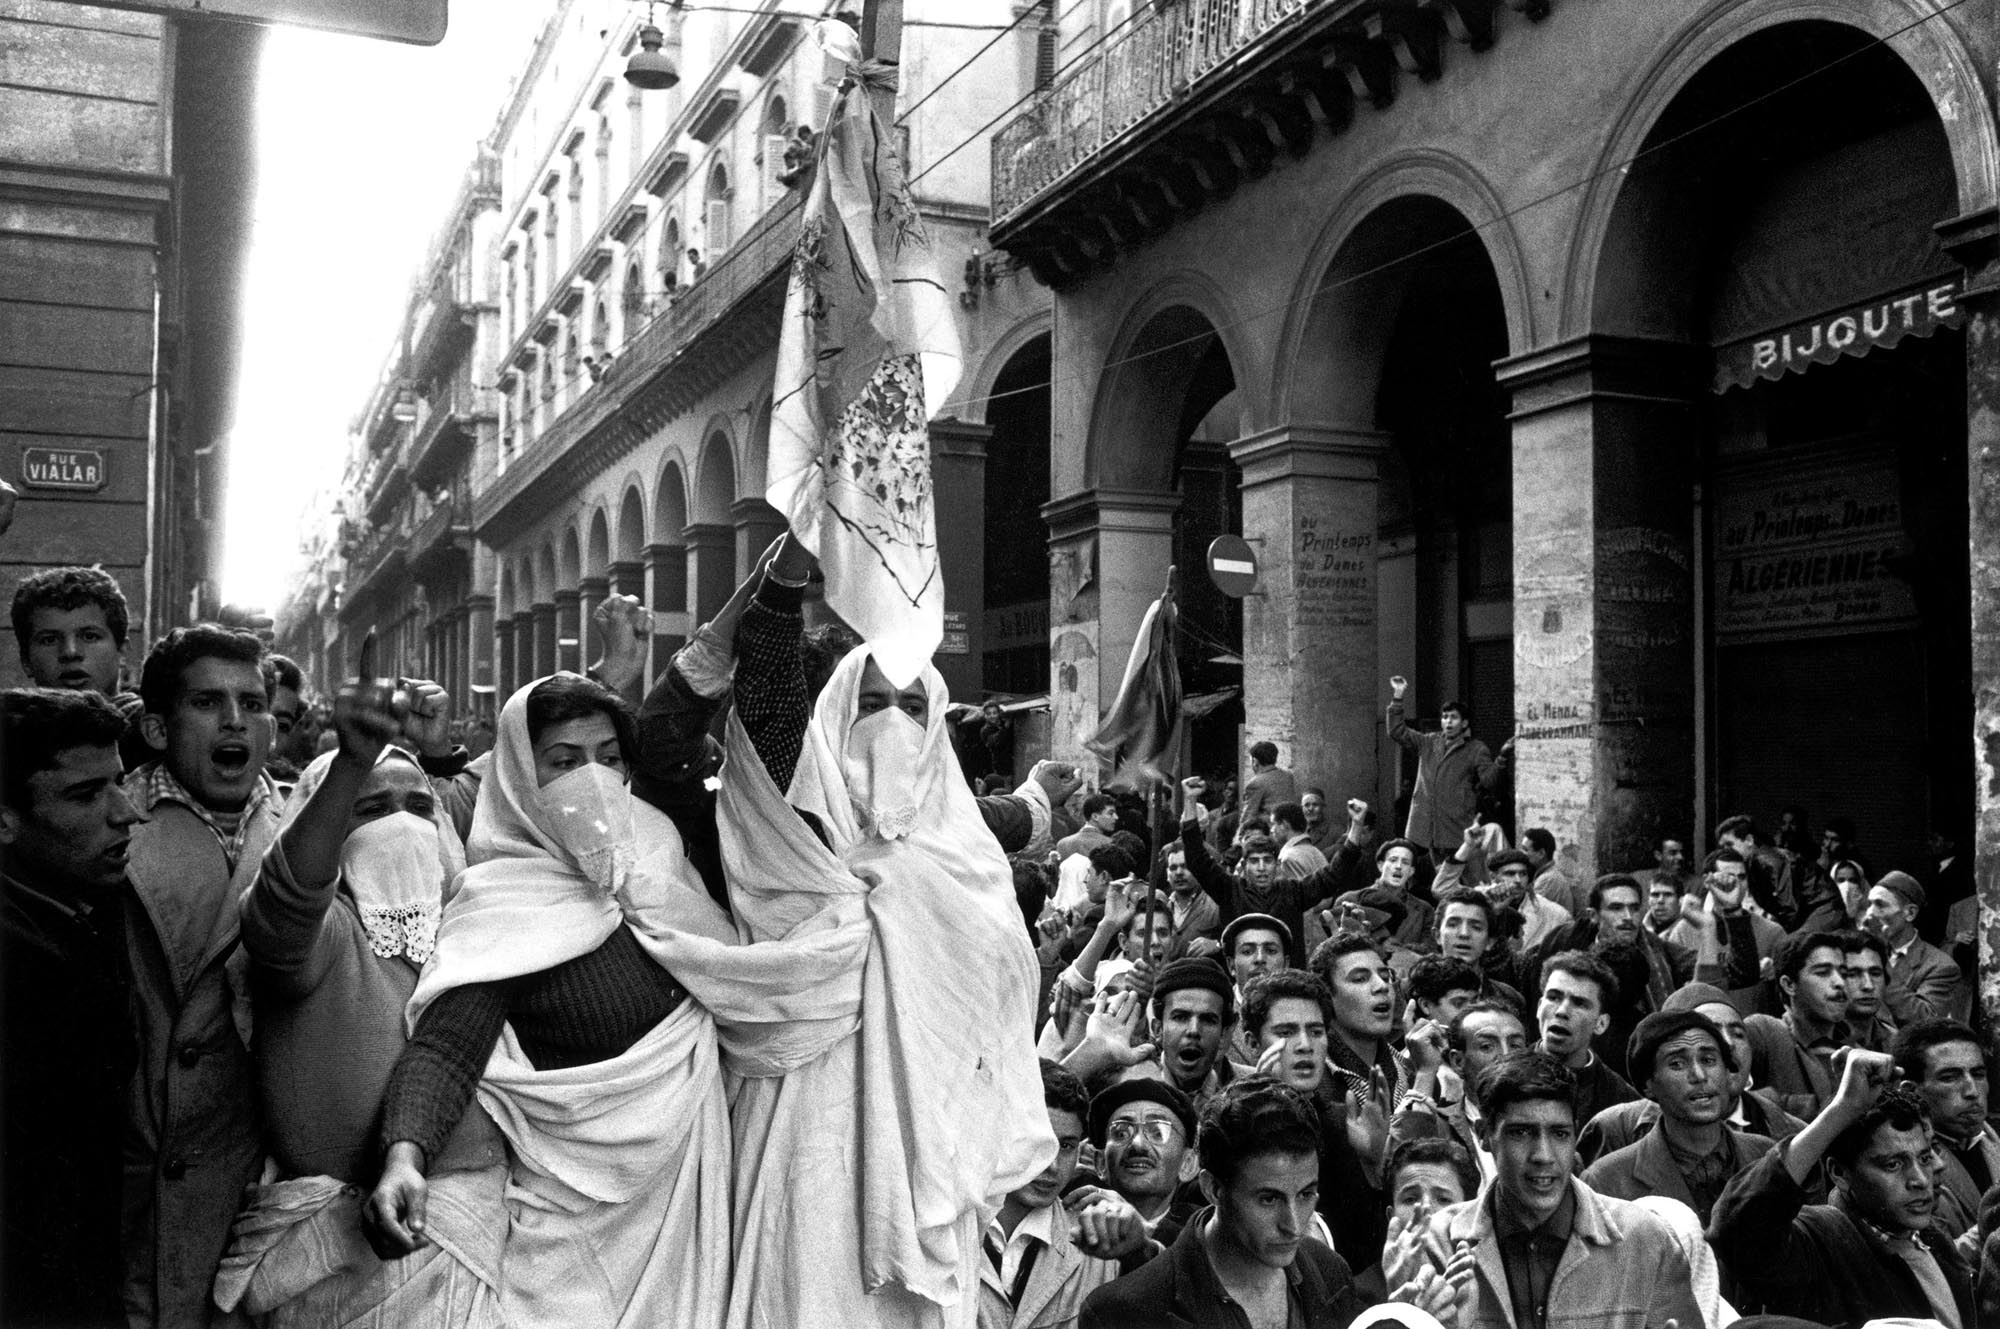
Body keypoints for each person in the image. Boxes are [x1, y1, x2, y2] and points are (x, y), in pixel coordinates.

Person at [368, 672, 737, 1327]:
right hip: (574, 1246)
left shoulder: (659, 854)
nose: (591, 777)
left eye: (609, 757)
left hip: (694, 1209)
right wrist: (404, 1157)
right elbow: (448, 1049)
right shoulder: (503, 901)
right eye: (564, 762)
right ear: (519, 776)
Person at [218, 680, 508, 1325]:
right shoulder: (325, 934)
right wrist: (351, 763)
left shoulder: (472, 930)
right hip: (343, 1261)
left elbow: (524, 768)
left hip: (474, 1235)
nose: (400, 823)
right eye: (370, 809)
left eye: (417, 807)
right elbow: (287, 899)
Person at [121, 622, 278, 1325]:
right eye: (209, 702)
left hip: (256, 1198)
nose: (235, 721)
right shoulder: (110, 825)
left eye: (252, 702)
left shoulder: (309, 825)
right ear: (157, 726)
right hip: (133, 1196)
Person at [0, 688, 143, 1326]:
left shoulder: (72, 905)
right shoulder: (20, 964)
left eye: (120, 783)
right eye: (86, 796)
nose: (127, 814)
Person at [1415, 1051, 1704, 1329]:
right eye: (1521, 1133)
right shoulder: (1439, 1241)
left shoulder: (1645, 1239)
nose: (1543, 1154)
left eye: (1559, 1134)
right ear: (1483, 1135)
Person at [1078, 1077, 1371, 1329]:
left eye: (1306, 1194)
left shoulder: (1330, 1271)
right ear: (1213, 1189)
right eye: (1269, 1199)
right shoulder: (1121, 1313)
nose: (1293, 1225)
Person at [1710, 1049, 1973, 1327]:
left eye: (1923, 1157)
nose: (1919, 1179)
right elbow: (1736, 1227)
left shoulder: (1931, 1236)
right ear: (1840, 1174)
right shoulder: (1818, 1243)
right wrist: (1843, 1109)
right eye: (1893, 1165)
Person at [979, 1061, 1149, 1329]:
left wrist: (1140, 1251)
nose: (1052, 1165)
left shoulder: (1098, 1242)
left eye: (1066, 1146)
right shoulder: (946, 1227)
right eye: (1038, 1143)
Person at [1242, 969, 1392, 1272]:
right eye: (1285, 1033)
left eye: (1316, 1031)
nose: (1305, 1045)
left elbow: (1369, 1253)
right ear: (1252, 1044)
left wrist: (1375, 1168)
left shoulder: (1345, 1123)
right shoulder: (1229, 1123)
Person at [1581, 1011, 1776, 1223]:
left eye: (1709, 1060)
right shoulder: (1607, 1181)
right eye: (1677, 1064)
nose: (1699, 1076)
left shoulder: (1769, 1158)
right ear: (1648, 1085)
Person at [1576, 983, 1806, 1161]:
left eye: (1738, 1033)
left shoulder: (1794, 1134)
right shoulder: (1616, 1129)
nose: (1728, 1044)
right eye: (1712, 1033)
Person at [1178, 776, 1337, 968]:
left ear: (1277, 866)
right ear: (1244, 866)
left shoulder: (1293, 892)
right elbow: (1198, 860)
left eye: (1267, 861)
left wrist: (1355, 831)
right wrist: (1189, 801)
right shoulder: (1230, 890)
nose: (1261, 868)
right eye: (1254, 861)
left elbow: (1331, 876)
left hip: (1286, 984)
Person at [11, 564, 152, 768]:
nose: (70, 652)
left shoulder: (157, 737)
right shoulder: (13, 747)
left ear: (121, 650)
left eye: (89, 636)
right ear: (26, 661)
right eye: (49, 640)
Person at [1395, 999, 1528, 1183]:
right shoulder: (1439, 1128)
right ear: (1458, 1062)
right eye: (1487, 1046)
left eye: (1515, 1045)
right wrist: (1425, 1072)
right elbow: (1399, 1174)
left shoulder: (1548, 1125)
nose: (1506, 1055)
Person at [1891, 1018, 1999, 1241]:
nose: (1972, 1091)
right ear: (1910, 1091)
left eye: (1978, 1074)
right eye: (1950, 1077)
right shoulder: (1900, 1167)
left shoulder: (1992, 1141)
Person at [1527, 874, 1695, 1016]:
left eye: (1634, 908)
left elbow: (1697, 966)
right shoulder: (1565, 941)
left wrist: (1706, 926)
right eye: (1616, 908)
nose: (1628, 917)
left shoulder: (1657, 949)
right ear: (1594, 915)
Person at [1385, 675, 1511, 862]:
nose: (1448, 722)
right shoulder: (1429, 742)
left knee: (1451, 879)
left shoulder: (1476, 749)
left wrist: (1502, 757)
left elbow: (1489, 781)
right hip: (1421, 828)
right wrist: (1398, 694)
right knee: (1420, 878)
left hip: (1453, 829)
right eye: (1445, 717)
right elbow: (1397, 731)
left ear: (1465, 723)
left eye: (1454, 717)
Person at [1080, 1079, 1204, 1247]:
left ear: (1187, 1164)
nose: (1138, 1144)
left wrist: (1142, 1231)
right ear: (1100, 1163)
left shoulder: (1204, 1231)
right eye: (1121, 1133)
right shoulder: (1074, 1222)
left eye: (1158, 1133)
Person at [1354, 1137, 1479, 1300]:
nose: (1425, 1208)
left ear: (1467, 1213)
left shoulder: (1490, 1281)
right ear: (1391, 1217)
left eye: (1443, 1199)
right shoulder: (1362, 1293)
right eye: (1411, 1199)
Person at [1746, 931, 1852, 1119]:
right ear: (1789, 985)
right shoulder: (1765, 1033)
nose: (1840, 983)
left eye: (1844, 973)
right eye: (1823, 973)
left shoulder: (1855, 1051)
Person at [1530, 950, 1638, 1126]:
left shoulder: (1622, 1102)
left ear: (1601, 1023)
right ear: (1539, 1006)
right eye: (1553, 997)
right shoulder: (1502, 1076)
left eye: (1579, 1003)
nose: (1562, 1011)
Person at [1861, 871, 1963, 1025]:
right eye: (1869, 904)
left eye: (1880, 905)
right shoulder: (1861, 953)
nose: (1870, 914)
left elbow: (1926, 1019)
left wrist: (1878, 960)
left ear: (1910, 913)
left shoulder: (1940, 966)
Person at [1484, 849, 1570, 951]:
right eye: (1510, 874)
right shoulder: (1480, 905)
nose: (1518, 880)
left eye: (1523, 874)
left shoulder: (1555, 914)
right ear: (1493, 877)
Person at [1839, 930, 1895, 1053]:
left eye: (1875, 974)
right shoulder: (1815, 1041)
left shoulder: (1895, 1041)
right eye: (1852, 974)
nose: (1868, 985)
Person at [1520, 828, 1586, 919]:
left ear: (1541, 853)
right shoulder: (1546, 875)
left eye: (1525, 850)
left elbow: (1526, 915)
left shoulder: (1548, 880)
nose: (1521, 854)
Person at [1238, 740, 1297, 828]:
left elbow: (1247, 818)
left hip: (1271, 833)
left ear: (1255, 761)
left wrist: (1239, 838)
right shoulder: (1289, 776)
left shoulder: (1255, 783)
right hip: (1292, 830)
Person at [1273, 801, 1329, 881]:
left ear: (1285, 824)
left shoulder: (1289, 858)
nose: (1271, 829)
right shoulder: (1315, 851)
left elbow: (1301, 892)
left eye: (1273, 824)